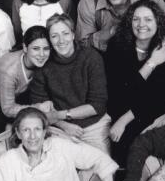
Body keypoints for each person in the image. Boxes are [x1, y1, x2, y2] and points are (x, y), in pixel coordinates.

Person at [104, 0, 165, 157]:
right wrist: (152, 62)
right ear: (129, 22)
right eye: (136, 19)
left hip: (152, 114)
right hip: (123, 109)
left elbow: (156, 96)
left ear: (158, 22)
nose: (142, 24)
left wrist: (124, 120)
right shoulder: (116, 46)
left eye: (148, 19)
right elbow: (122, 92)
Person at [31, 13, 111, 153]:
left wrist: (60, 115)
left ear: (73, 34)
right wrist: (63, 125)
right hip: (59, 128)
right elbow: (42, 109)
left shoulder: (91, 58)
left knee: (102, 169)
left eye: (65, 33)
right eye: (54, 36)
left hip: (94, 124)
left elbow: (97, 105)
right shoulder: (44, 64)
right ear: (49, 39)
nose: (61, 40)